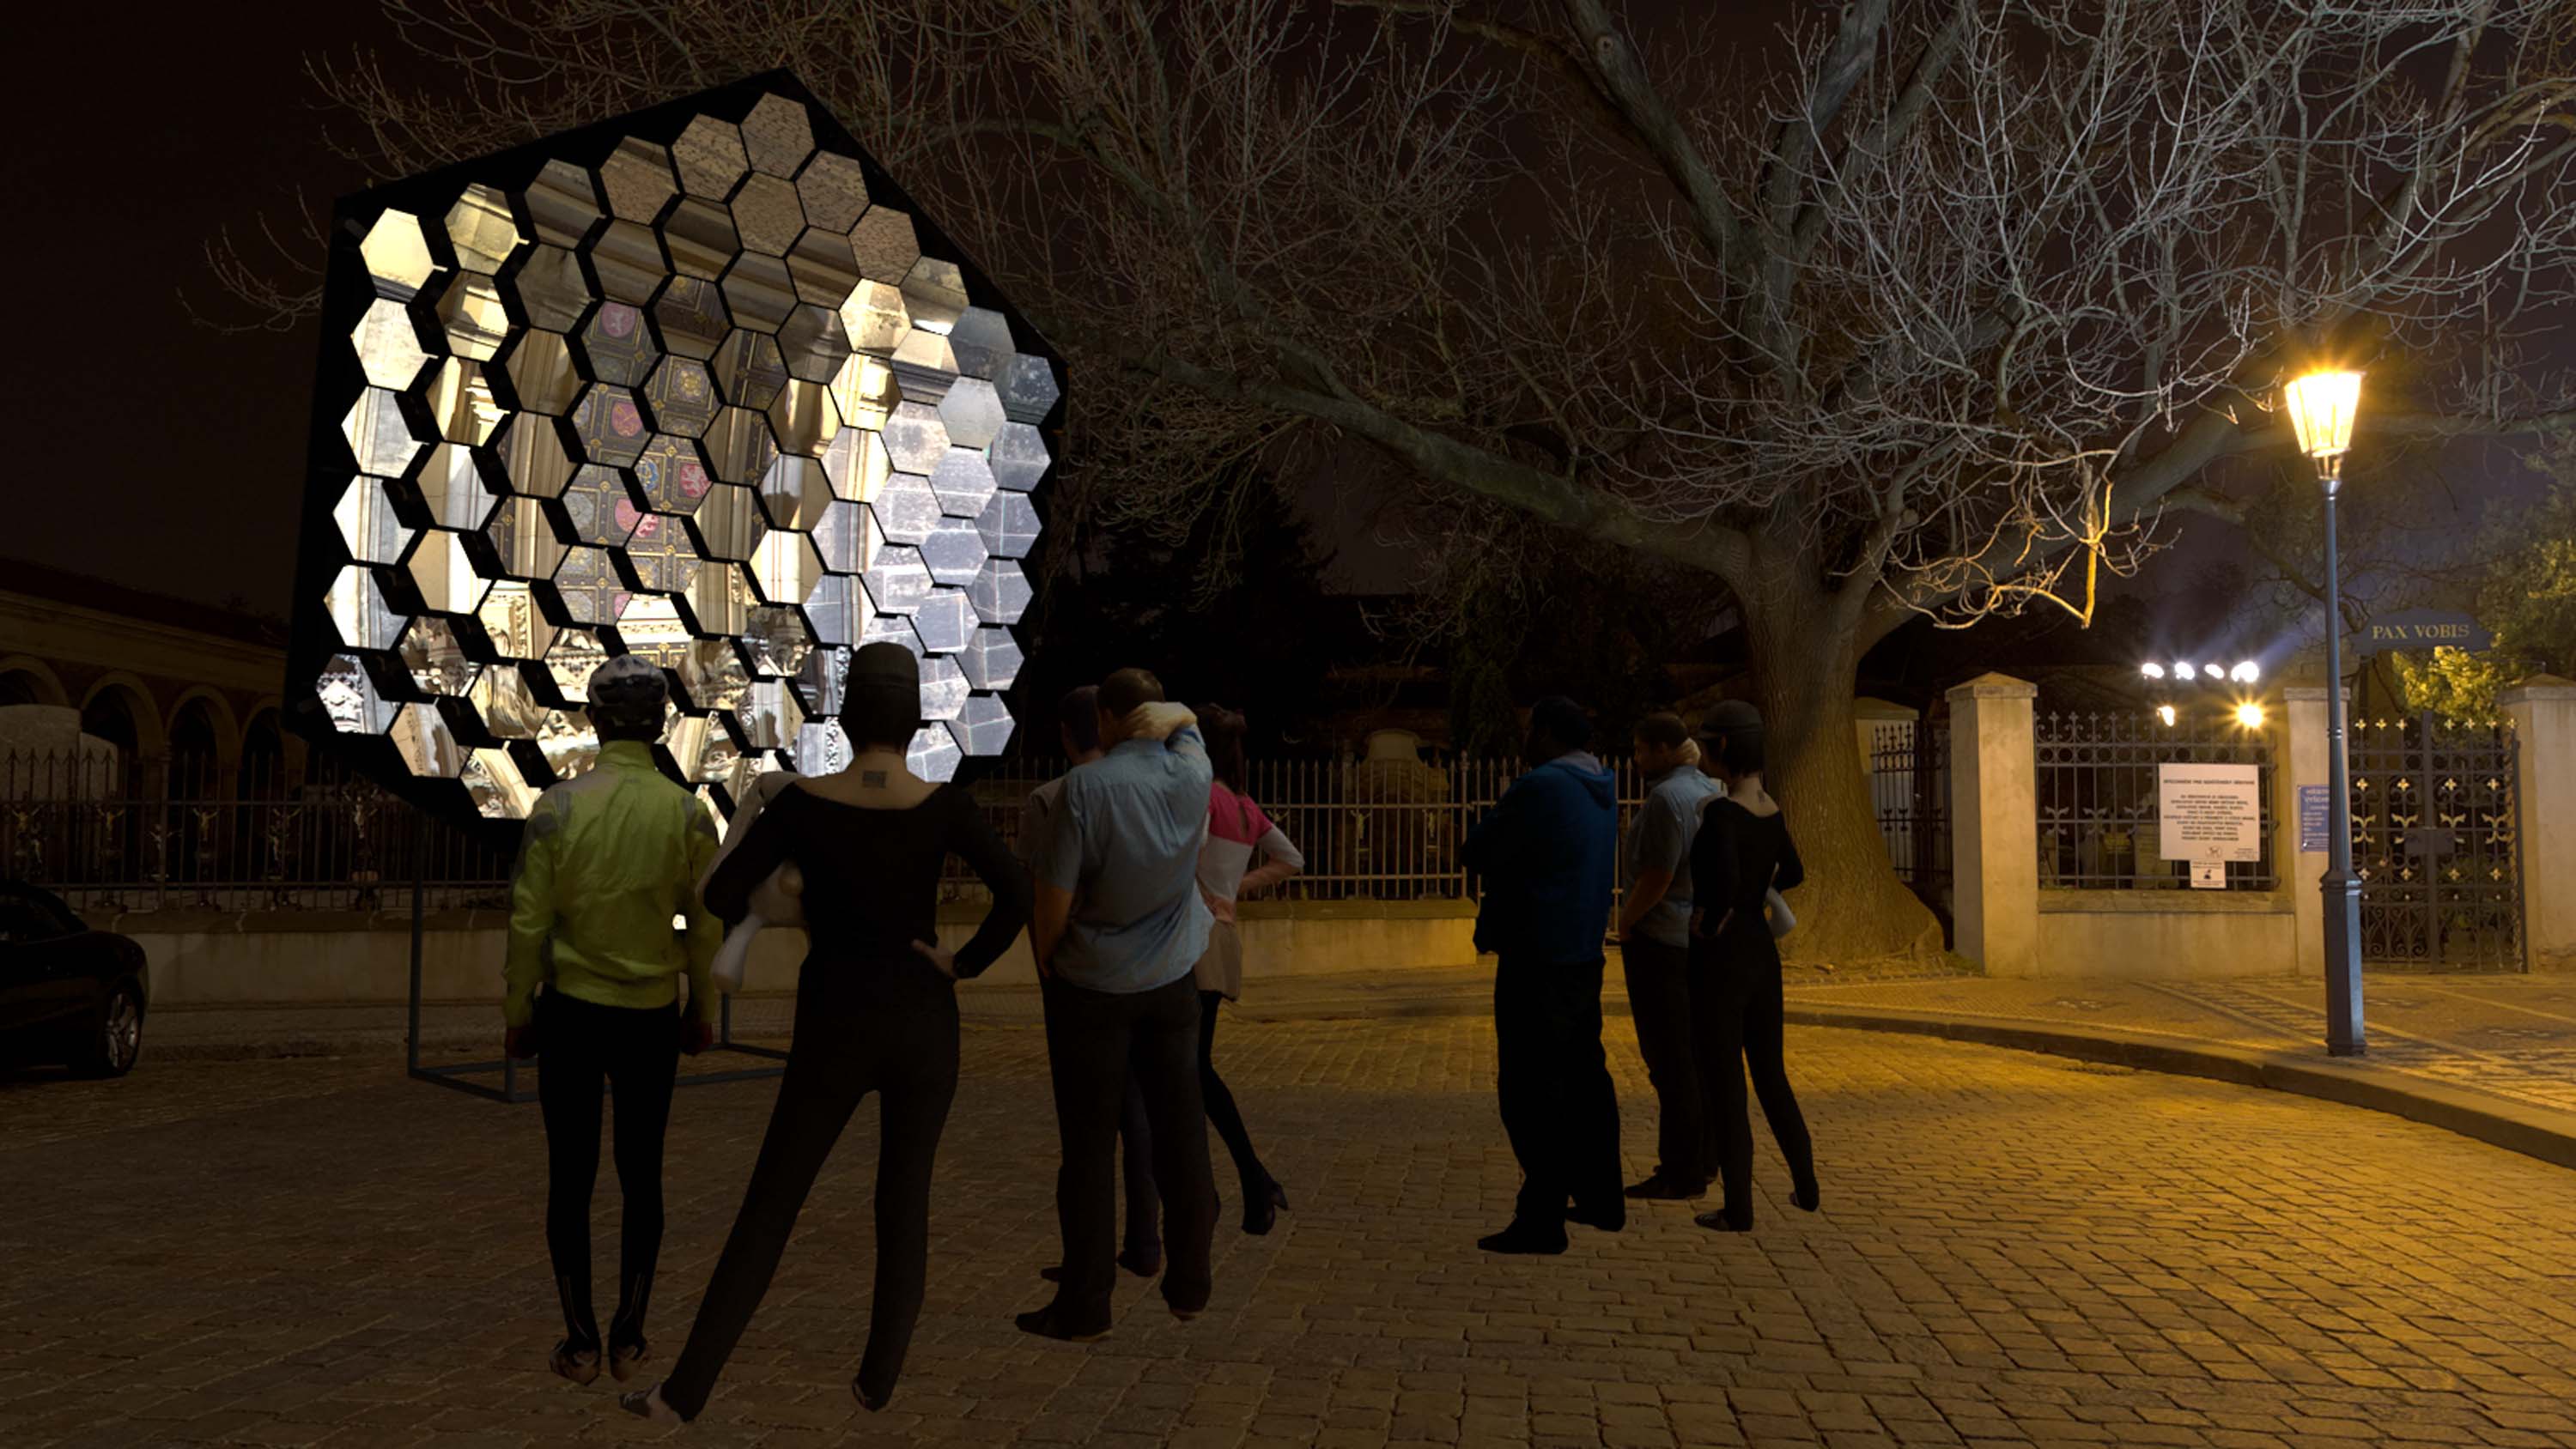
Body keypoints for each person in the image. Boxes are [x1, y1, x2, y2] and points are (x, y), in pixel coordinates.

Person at [619, 642, 1031, 1423]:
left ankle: (685, 1391)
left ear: (844, 718)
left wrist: (805, 900)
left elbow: (720, 894)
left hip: (836, 1017)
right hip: (923, 1017)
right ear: (915, 723)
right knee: (904, 1197)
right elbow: (1016, 893)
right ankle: (878, 1377)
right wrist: (963, 962)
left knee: (772, 1202)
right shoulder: (945, 806)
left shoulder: (803, 806)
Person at [502, 654, 722, 1386]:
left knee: (570, 1177)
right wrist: (702, 1007)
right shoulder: (687, 813)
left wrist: (518, 1012)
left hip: (570, 1013)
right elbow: (704, 924)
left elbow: (527, 922)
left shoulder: (558, 808)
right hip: (650, 1018)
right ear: (660, 723)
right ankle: (631, 1332)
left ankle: (580, 1339)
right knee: (642, 1174)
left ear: (594, 720)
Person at [1018, 668, 1221, 1341]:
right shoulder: (1193, 770)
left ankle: (1086, 1303)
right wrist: (1163, 714)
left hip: (1094, 986)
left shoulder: (1085, 787)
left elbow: (1052, 898)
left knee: (1088, 1149)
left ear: (1105, 718)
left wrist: (1050, 957)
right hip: (1172, 980)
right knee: (1181, 1132)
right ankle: (1190, 1285)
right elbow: (1188, 722)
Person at [1460, 695, 1622, 1255]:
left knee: (1530, 1089)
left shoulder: (1541, 786)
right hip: (1583, 950)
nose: (1524, 738)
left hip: (1536, 951)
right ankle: (1601, 1195)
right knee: (1585, 1079)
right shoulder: (1602, 785)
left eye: (1530, 728)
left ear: (1549, 733)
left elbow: (1477, 849)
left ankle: (1542, 1216)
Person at [1024, 686, 1163, 1282]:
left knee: (1084, 1127)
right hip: (1146, 969)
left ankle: (1087, 1257)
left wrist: (1046, 962)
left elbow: (1042, 895)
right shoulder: (1151, 789)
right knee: (1137, 1112)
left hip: (1080, 973)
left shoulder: (1050, 798)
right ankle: (1145, 1239)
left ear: (1065, 734)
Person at [1686, 700, 1820, 1233]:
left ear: (1724, 748)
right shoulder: (1771, 810)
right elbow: (1795, 871)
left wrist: (1712, 917)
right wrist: (1758, 892)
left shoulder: (1721, 814)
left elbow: (1721, 879)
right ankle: (1806, 1184)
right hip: (1762, 952)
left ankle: (1738, 1207)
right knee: (1770, 1074)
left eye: (1708, 744)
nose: (1703, 753)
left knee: (1726, 1081)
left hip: (1723, 955)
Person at [1189, 704, 1303, 1234]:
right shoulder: (1243, 806)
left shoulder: (1202, 798)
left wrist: (1218, 890)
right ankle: (1251, 1182)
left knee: (1191, 1068)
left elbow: (1186, 855)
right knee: (1194, 1067)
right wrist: (1236, 888)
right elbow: (1291, 860)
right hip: (1224, 938)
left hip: (1192, 940)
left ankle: (1244, 1181)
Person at [1613, 712, 1722, 1202]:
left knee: (1670, 1060)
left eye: (1640, 750)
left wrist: (1627, 920)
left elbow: (1658, 873)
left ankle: (1681, 1169)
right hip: (1695, 937)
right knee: (1697, 1056)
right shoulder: (1707, 790)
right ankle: (1704, 1158)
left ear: (1661, 749)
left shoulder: (1664, 799)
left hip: (1660, 940)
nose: (1636, 759)